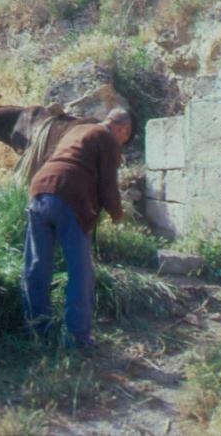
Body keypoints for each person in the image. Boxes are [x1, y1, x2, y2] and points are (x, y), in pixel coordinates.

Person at [22, 108, 132, 349]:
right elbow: (108, 187)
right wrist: (117, 215)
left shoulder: (78, 130)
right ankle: (78, 338)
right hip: (70, 197)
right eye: (124, 138)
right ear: (121, 128)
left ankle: (37, 330)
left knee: (37, 265)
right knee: (80, 271)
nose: (122, 143)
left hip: (39, 190)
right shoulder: (107, 139)